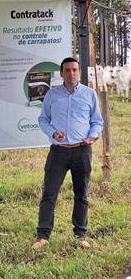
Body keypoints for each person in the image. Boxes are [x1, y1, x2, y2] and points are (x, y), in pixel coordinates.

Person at [34, 57, 104, 250]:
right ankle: (42, 236)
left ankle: (81, 235)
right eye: (67, 70)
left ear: (79, 72)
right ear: (61, 73)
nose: (71, 73)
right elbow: (43, 119)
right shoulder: (52, 95)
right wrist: (52, 132)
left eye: (74, 70)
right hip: (58, 152)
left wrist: (93, 135)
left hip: (82, 151)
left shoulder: (89, 95)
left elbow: (97, 121)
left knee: (81, 194)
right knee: (49, 194)